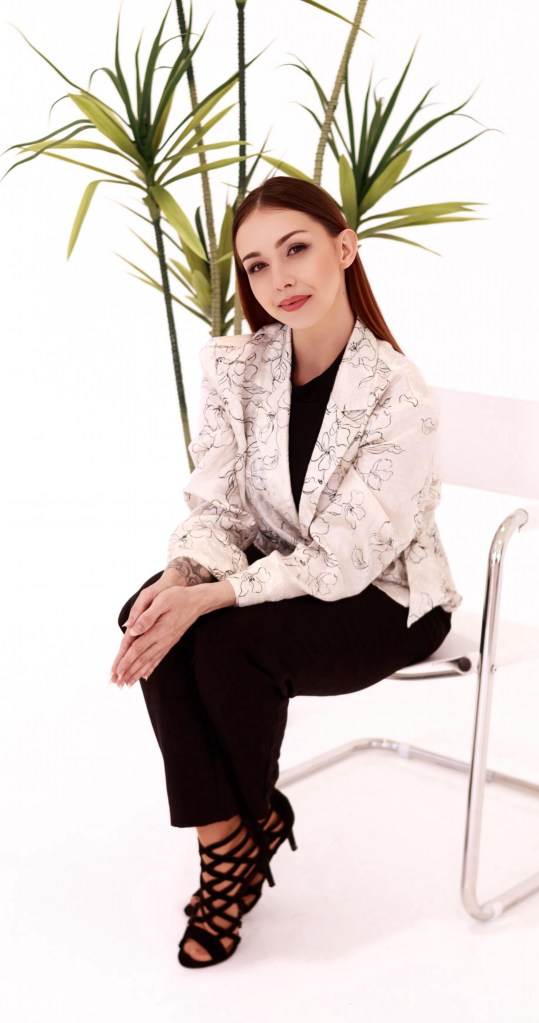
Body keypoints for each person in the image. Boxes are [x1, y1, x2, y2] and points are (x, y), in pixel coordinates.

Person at [109, 176, 462, 969]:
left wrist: (215, 595)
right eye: (258, 265)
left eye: (297, 249)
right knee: (153, 616)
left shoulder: (398, 393)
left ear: (344, 247)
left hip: (386, 598)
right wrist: (182, 574)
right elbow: (218, 503)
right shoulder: (239, 366)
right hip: (283, 577)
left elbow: (342, 559)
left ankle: (227, 862)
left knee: (227, 643)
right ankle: (235, 835)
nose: (281, 279)